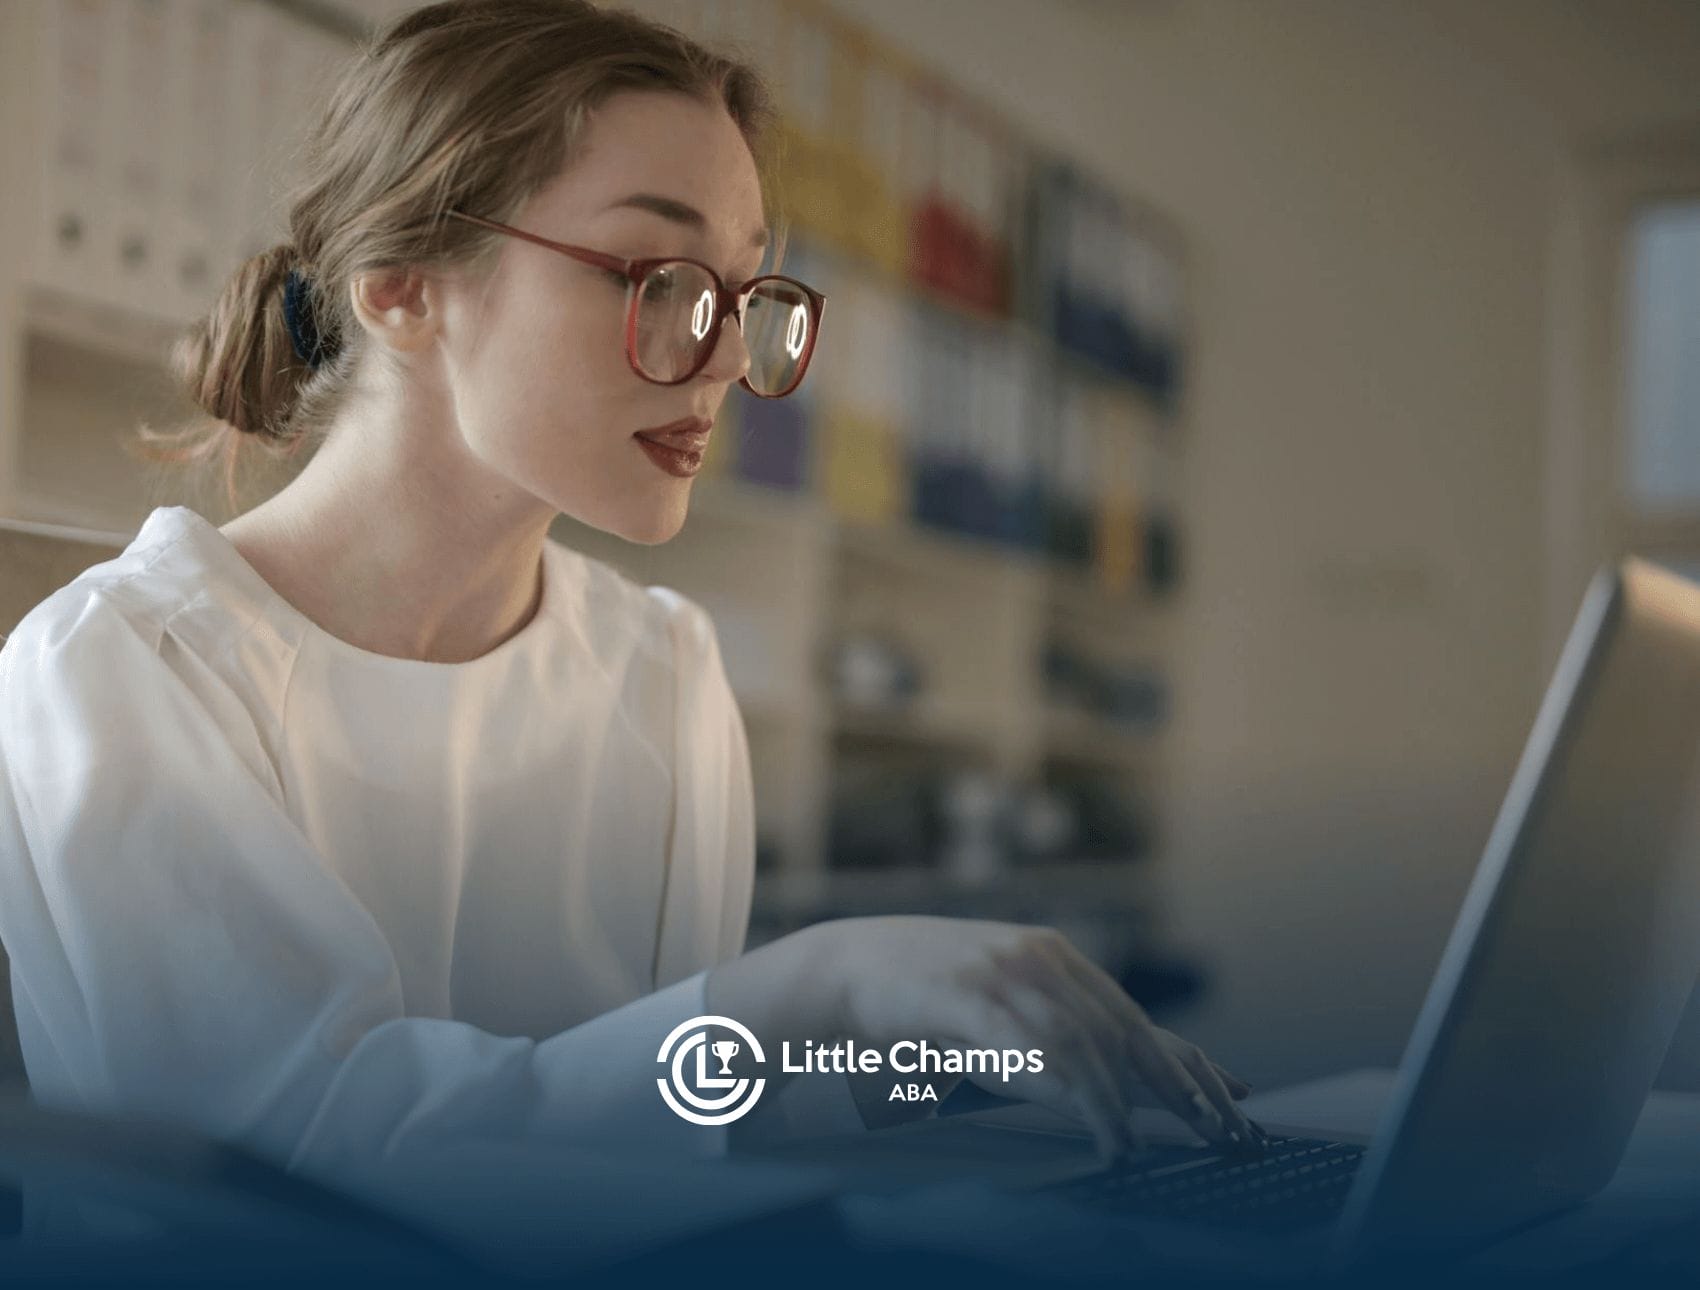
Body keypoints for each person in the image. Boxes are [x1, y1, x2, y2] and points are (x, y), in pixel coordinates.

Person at [0, 0, 1254, 1254]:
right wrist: (801, 991)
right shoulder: (118, 671)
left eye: (743, 292)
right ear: (400, 290)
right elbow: (300, 1167)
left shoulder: (661, 668)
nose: (717, 362)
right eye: (659, 279)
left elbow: (686, 1107)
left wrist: (948, 1072)